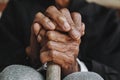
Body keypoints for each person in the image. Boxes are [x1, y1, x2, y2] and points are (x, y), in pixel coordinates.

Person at [0, 0, 120, 80]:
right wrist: (31, 57)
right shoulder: (17, 7)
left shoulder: (106, 18)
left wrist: (75, 67)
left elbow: (114, 73)